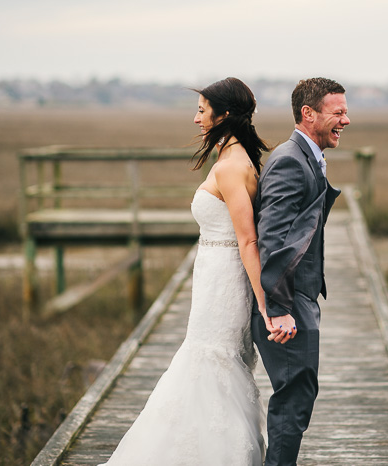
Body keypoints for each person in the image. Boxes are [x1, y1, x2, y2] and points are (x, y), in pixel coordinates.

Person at [100, 77, 278, 466]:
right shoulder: (229, 158)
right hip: (214, 273)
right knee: (206, 359)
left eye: (201, 110)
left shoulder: (232, 166)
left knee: (210, 359)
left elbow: (248, 241)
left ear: (224, 115)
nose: (195, 118)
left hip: (225, 281)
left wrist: (265, 303)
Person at [251, 77, 349, 466]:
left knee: (299, 394)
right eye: (338, 112)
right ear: (309, 114)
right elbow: (271, 240)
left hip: (298, 298)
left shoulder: (306, 156)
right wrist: (278, 308)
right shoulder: (291, 161)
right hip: (287, 303)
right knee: (295, 398)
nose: (346, 119)